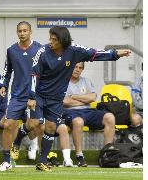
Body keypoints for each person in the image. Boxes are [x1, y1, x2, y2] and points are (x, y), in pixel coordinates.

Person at [28, 26, 131, 171]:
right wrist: (32, 96)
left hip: (56, 98)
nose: (51, 41)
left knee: (50, 127)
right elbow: (34, 74)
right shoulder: (43, 51)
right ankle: (18, 139)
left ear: (63, 41)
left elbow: (95, 54)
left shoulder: (75, 50)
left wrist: (115, 54)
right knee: (32, 123)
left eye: (54, 39)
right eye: (50, 38)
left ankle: (42, 161)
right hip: (39, 94)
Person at [0, 21, 44, 171]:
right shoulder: (11, 50)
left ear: (30, 32)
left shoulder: (40, 49)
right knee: (8, 124)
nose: (22, 33)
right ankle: (6, 161)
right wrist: (3, 85)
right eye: (20, 31)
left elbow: (45, 72)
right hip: (17, 95)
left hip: (35, 95)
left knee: (34, 124)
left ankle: (17, 139)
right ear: (17, 32)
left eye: (25, 31)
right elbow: (7, 71)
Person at [63, 62, 116, 167]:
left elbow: (92, 98)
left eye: (80, 68)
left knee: (110, 117)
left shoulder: (86, 81)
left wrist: (73, 96)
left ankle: (106, 154)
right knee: (78, 121)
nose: (77, 69)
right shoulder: (62, 82)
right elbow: (65, 102)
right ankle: (79, 155)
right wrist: (84, 100)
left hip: (89, 111)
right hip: (70, 111)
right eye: (75, 67)